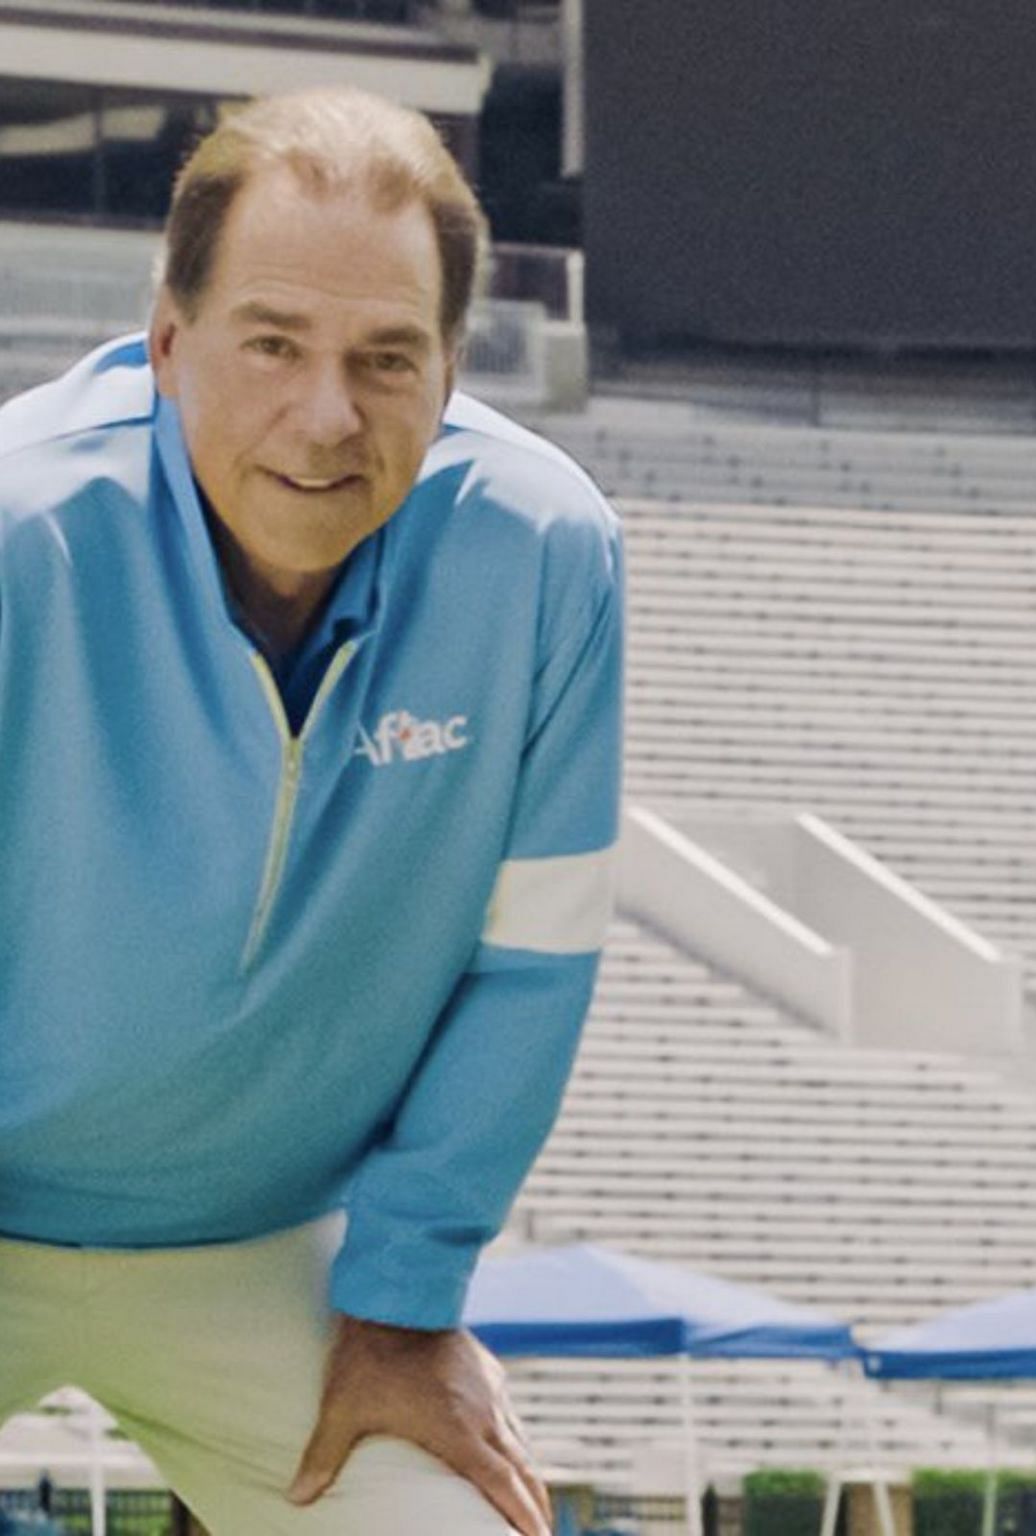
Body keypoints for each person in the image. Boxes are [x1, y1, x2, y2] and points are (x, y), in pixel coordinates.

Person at [0, 87, 622, 1535]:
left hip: (275, 1244)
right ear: (167, 342)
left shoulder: (549, 557)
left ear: (455, 368)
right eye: (272, 345)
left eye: (387, 359)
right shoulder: (20, 535)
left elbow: (532, 966)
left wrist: (407, 1302)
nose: (327, 416)